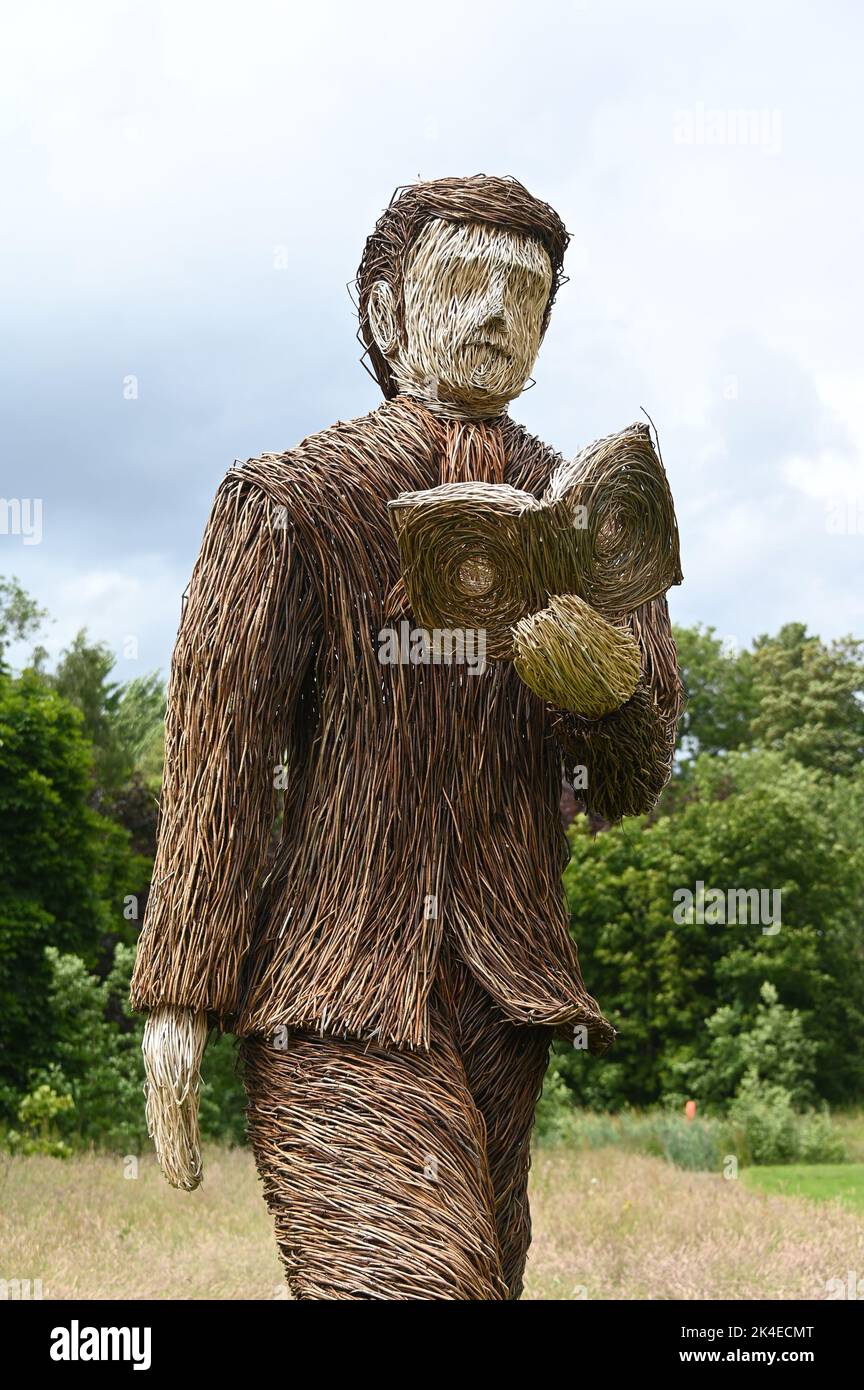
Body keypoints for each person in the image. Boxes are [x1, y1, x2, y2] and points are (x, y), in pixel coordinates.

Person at [131, 174, 681, 1300]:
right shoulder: (290, 502)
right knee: (414, 1282)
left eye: (525, 297)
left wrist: (610, 688)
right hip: (336, 988)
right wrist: (181, 995)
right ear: (386, 312)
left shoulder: (589, 515)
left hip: (504, 989)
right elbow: (219, 767)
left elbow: (633, 779)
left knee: (487, 1279)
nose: (495, 315)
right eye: (464, 282)